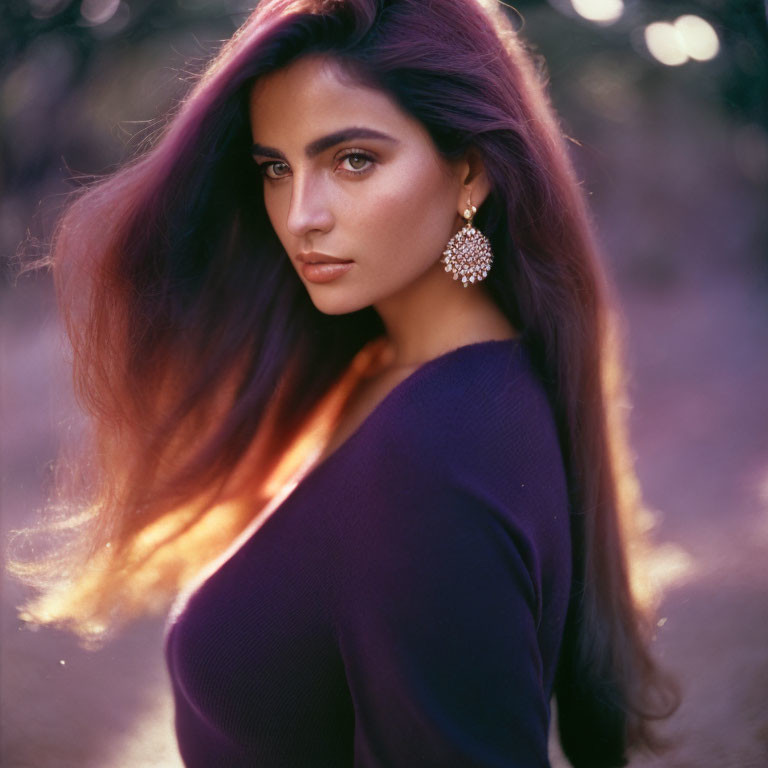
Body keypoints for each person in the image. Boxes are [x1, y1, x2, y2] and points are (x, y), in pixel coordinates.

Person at [7, 0, 680, 765]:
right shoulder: (403, 374)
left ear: (471, 172)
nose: (300, 216)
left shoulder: (434, 451)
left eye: (353, 159)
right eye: (275, 168)